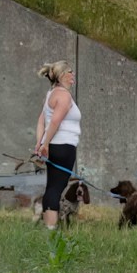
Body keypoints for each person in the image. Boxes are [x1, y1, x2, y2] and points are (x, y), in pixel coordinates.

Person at [32, 61, 80, 230]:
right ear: (61, 76)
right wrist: (44, 144)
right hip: (64, 147)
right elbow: (55, 122)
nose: (73, 75)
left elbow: (41, 121)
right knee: (56, 189)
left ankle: (48, 228)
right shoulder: (64, 96)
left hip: (54, 147)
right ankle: (52, 229)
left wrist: (40, 143)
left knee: (52, 187)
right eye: (70, 72)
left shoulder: (50, 94)